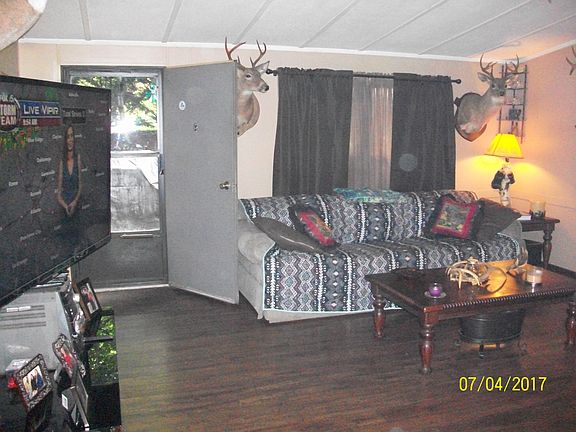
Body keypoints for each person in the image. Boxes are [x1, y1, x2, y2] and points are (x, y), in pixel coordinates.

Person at [57, 125, 82, 217]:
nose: (70, 139)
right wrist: (66, 206)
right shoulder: (62, 162)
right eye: (68, 137)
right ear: (65, 140)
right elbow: (58, 195)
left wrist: (75, 202)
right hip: (64, 208)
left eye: (72, 136)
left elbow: (80, 186)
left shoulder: (78, 159)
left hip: (76, 206)